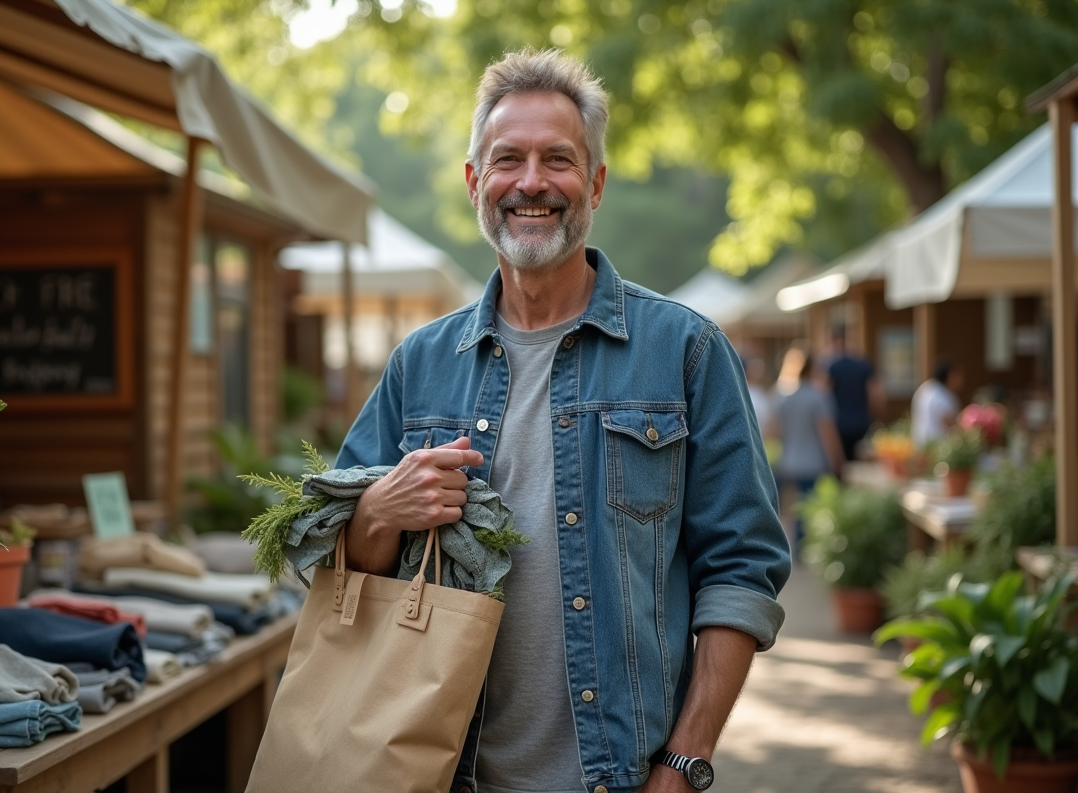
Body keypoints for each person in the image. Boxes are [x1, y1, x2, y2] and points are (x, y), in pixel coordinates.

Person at [336, 48, 791, 793]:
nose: (532, 182)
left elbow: (741, 571)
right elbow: (338, 561)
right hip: (443, 771)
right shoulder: (419, 364)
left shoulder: (686, 351)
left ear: (597, 183)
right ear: (475, 181)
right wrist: (378, 511)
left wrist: (685, 763)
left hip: (622, 776)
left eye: (559, 159)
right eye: (507, 158)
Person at [773, 345, 844, 547]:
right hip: (814, 462)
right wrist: (838, 460)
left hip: (789, 461)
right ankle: (809, 547)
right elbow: (828, 434)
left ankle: (797, 545)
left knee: (795, 509)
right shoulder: (819, 397)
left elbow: (775, 431)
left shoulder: (784, 398)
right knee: (814, 508)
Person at [824, 327, 884, 461]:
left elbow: (825, 395)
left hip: (839, 423)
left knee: (842, 464)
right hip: (861, 422)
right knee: (859, 464)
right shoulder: (863, 364)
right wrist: (873, 418)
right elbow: (875, 396)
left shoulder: (832, 367)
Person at [911, 358, 964, 447]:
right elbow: (948, 422)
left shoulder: (926, 388)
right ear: (950, 375)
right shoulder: (943, 395)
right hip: (938, 448)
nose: (961, 380)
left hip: (919, 444)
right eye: (958, 375)